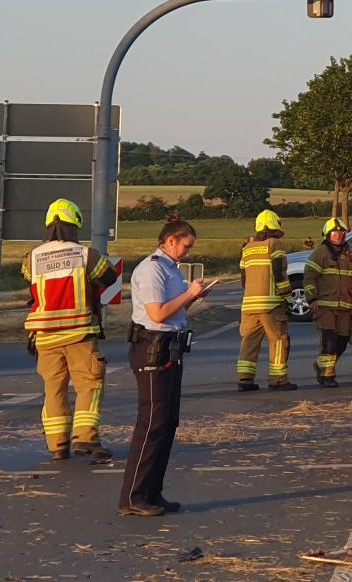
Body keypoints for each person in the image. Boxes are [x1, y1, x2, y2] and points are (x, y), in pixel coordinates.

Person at [118, 217, 216, 518]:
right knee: (151, 423)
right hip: (152, 349)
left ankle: (152, 492)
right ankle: (133, 497)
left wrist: (192, 298)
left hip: (170, 347)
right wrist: (188, 294)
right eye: (186, 245)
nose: (187, 252)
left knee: (168, 422)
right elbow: (157, 313)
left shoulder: (170, 269)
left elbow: (173, 310)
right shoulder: (151, 269)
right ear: (170, 240)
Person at [22, 198, 120, 461]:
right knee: (89, 384)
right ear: (75, 224)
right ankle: (86, 438)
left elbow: (28, 279)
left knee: (54, 389)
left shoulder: (32, 257)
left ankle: (57, 446)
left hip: (44, 336)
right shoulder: (85, 255)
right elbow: (110, 277)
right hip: (78, 332)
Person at [236, 210, 295, 391]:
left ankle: (245, 379)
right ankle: (278, 380)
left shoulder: (247, 248)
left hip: (249, 304)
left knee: (249, 341)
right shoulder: (275, 244)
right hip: (271, 303)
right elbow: (279, 273)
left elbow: (244, 278)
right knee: (278, 340)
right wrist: (287, 297)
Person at [305, 218, 352, 387]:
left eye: (341, 234)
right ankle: (328, 375)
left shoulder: (350, 254)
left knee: (342, 341)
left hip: (345, 306)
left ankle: (321, 366)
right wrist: (312, 298)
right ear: (327, 236)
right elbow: (309, 277)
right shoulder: (320, 253)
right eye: (335, 234)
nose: (339, 237)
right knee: (329, 340)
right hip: (325, 306)